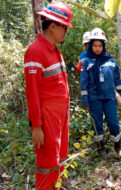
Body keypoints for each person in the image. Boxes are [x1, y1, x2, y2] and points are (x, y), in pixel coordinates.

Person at [24, 2, 72, 189]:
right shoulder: (35, 51)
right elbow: (32, 92)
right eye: (64, 28)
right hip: (47, 118)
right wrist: (37, 126)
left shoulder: (55, 51)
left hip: (60, 117)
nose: (65, 33)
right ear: (53, 26)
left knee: (59, 159)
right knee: (47, 163)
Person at [80, 28, 121, 157]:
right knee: (97, 123)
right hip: (94, 98)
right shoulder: (86, 62)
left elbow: (117, 80)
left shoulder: (110, 61)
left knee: (113, 122)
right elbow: (84, 84)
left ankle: (118, 144)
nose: (98, 48)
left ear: (103, 46)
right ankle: (100, 147)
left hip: (110, 97)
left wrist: (120, 95)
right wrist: (85, 101)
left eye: (100, 45)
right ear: (91, 46)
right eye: (95, 45)